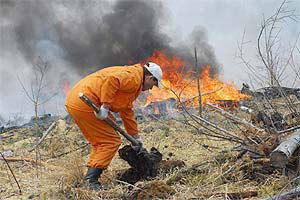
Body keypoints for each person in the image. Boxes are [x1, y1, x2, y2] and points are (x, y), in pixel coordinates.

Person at [65, 62, 163, 191]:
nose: (150, 89)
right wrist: (105, 106)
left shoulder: (134, 80)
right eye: (153, 85)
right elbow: (111, 80)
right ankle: (90, 181)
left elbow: (127, 110)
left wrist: (135, 138)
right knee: (110, 141)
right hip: (86, 102)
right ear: (150, 78)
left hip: (77, 101)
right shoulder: (134, 77)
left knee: (102, 141)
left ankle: (89, 177)